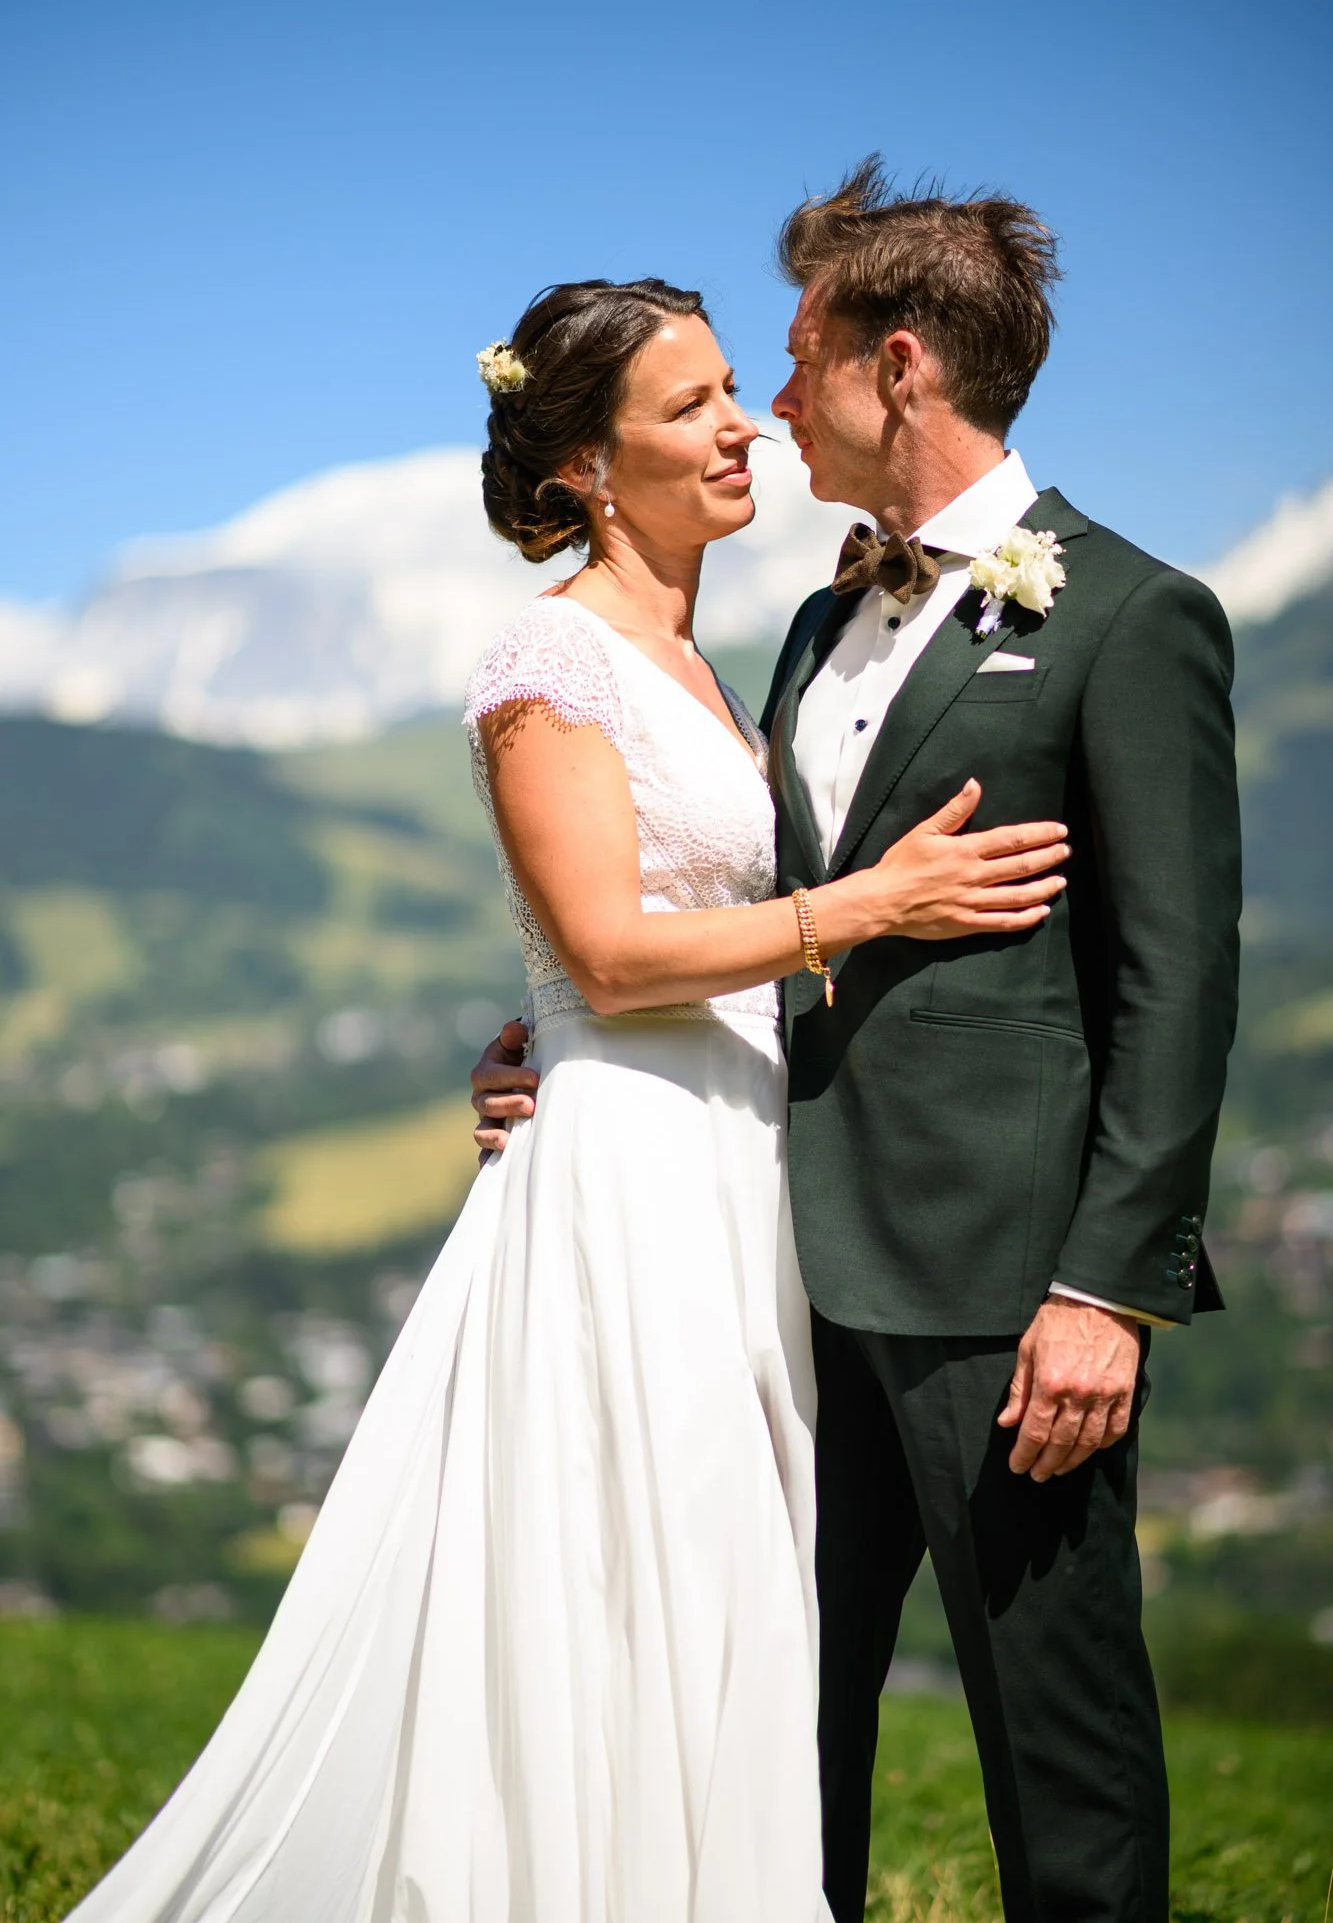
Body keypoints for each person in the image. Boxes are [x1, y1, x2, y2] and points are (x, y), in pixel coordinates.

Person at [67, 278, 1068, 1923]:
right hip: (630, 1190)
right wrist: (869, 907)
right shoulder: (549, 655)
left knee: (726, 1594)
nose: (743, 421)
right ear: (588, 469)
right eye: (691, 407)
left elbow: (646, 927)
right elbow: (606, 948)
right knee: (626, 1586)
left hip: (745, 1174)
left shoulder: (700, 659)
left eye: (737, 386)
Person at [472, 167, 1242, 1923]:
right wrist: (553, 1039)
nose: (763, 409)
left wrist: (1109, 1292)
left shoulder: (1129, 618)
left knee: (1060, 1741)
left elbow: (1179, 986)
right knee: (767, 1742)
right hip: (771, 1281)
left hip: (1004, 1295)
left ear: (896, 368)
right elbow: (715, 904)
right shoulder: (813, 627)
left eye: (791, 362)